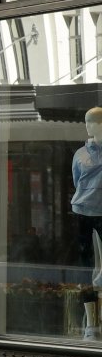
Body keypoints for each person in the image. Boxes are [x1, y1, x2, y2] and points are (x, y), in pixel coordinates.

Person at [71, 107, 102, 267]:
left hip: (99, 209)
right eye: (86, 122)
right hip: (83, 209)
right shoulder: (80, 153)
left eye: (91, 122)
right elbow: (77, 181)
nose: (87, 126)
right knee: (85, 251)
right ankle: (87, 286)